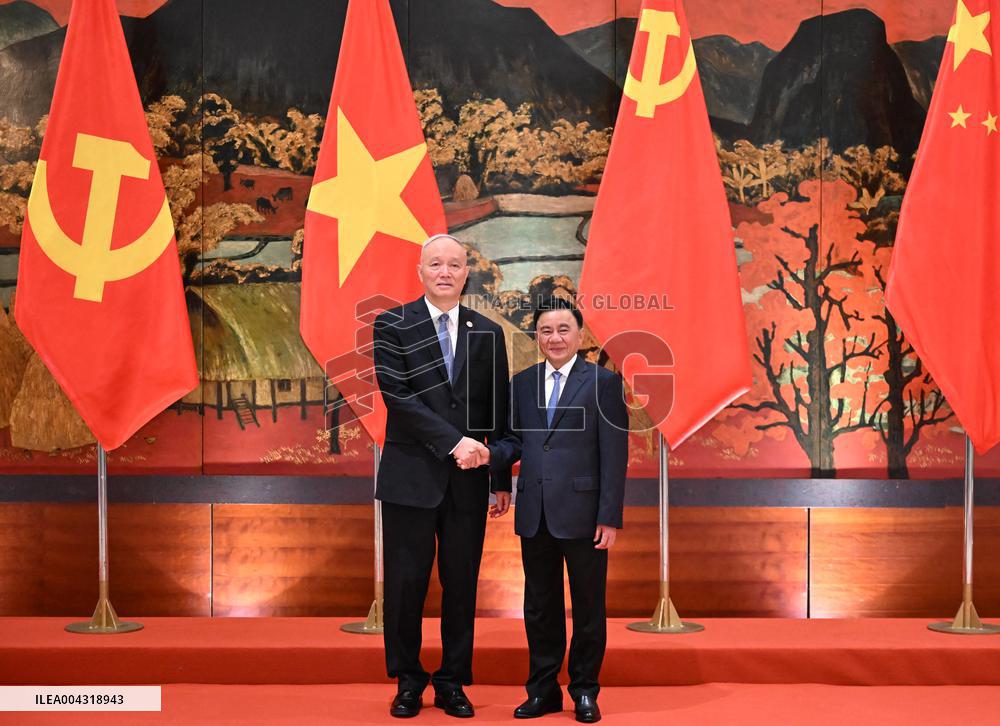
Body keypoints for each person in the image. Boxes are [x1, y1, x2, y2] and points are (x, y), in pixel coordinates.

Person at [457, 297, 628, 723]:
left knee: (588, 607)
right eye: (546, 331)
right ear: (537, 336)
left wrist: (609, 515)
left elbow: (615, 454)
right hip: (535, 511)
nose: (555, 338)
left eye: (563, 330)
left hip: (586, 514)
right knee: (539, 606)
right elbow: (512, 440)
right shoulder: (523, 382)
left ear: (580, 335)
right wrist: (493, 471)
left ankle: (585, 690)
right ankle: (543, 690)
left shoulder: (602, 383)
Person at [372, 233, 512, 719]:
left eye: (455, 264)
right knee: (406, 585)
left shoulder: (488, 332)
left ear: (466, 272)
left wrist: (499, 479)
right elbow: (398, 397)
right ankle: (408, 680)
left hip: (470, 482)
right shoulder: (392, 323)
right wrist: (454, 442)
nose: (446, 272)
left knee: (462, 584)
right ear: (420, 271)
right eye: (436, 264)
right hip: (411, 478)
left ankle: (452, 680)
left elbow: (497, 410)